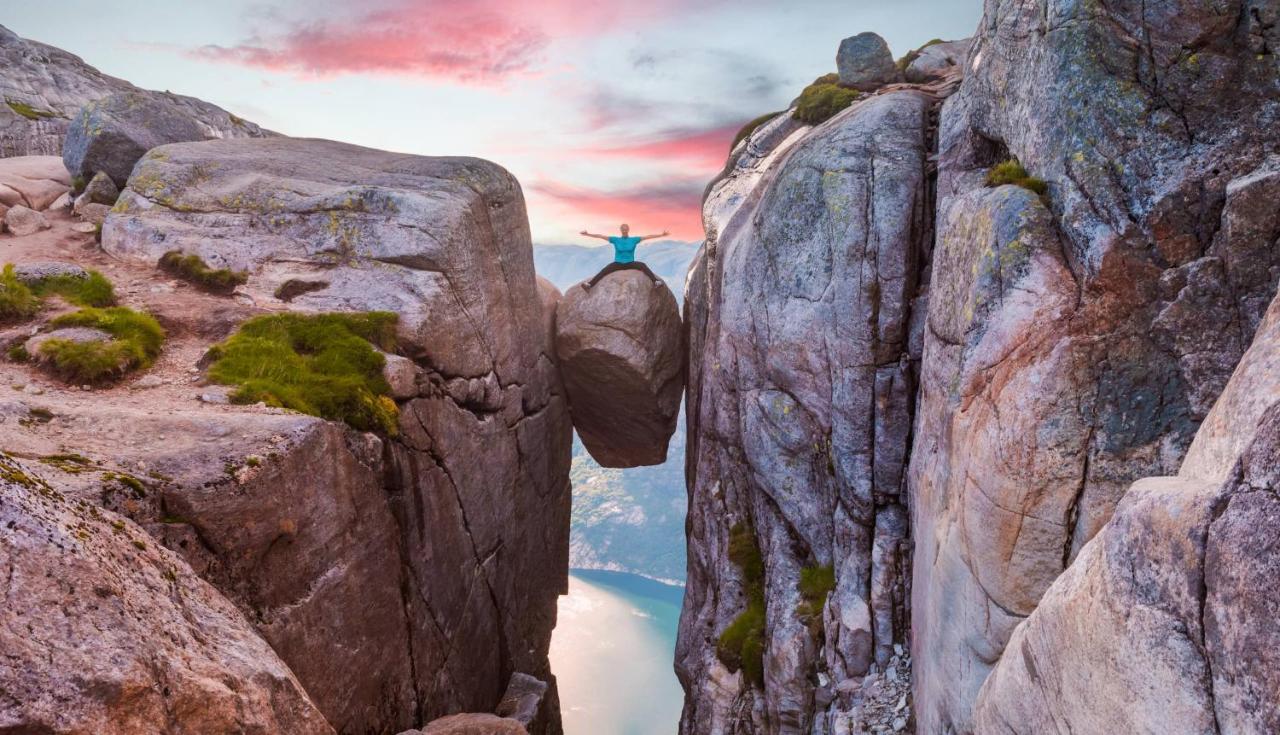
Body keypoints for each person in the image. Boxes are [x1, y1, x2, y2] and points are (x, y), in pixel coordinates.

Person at [579, 224, 669, 289]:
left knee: (642, 265)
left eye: (626, 229)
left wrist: (661, 235)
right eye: (623, 229)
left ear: (628, 230)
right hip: (618, 263)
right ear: (621, 230)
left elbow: (648, 237)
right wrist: (587, 234)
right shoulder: (615, 239)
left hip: (630, 263)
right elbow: (600, 236)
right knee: (604, 270)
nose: (624, 230)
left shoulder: (634, 240)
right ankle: (590, 284)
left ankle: (655, 282)